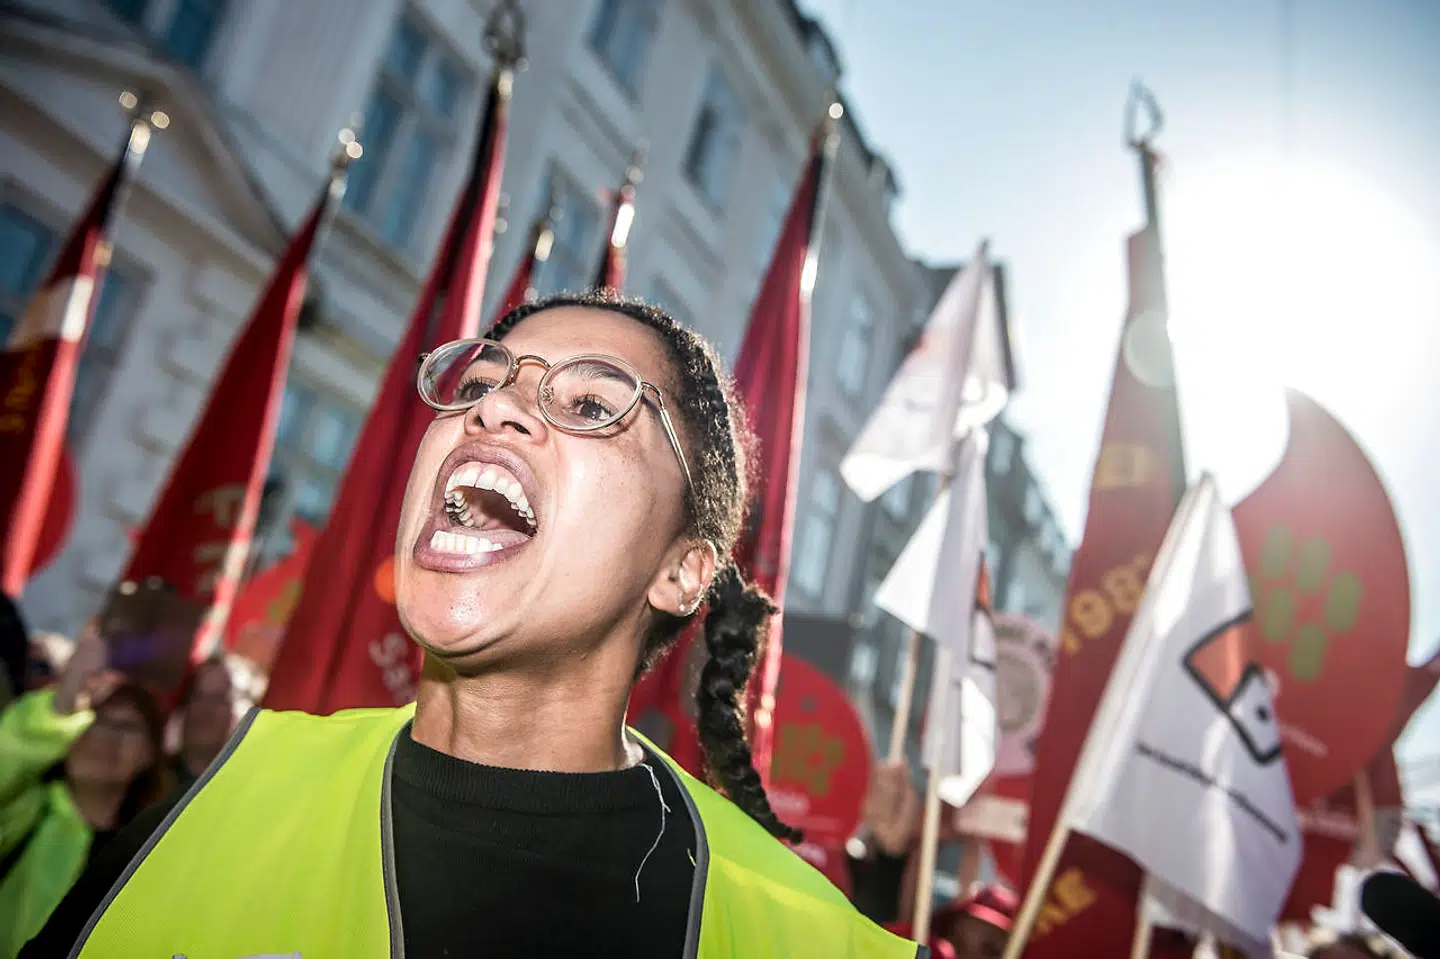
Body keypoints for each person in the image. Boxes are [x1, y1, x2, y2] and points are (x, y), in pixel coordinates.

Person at [22, 292, 923, 958]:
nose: (491, 406)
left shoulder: (801, 937)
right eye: (480, 381)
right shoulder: (211, 800)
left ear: (683, 570)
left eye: (592, 404)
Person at [1, 626, 168, 958]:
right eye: (96, 721)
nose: (106, 737)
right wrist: (63, 704)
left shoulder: (153, 853)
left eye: (127, 727)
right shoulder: (21, 811)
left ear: (149, 754)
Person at [167, 654, 237, 790]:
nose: (207, 710)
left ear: (231, 714)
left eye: (218, 699)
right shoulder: (152, 782)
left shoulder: (237, 787)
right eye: (199, 696)